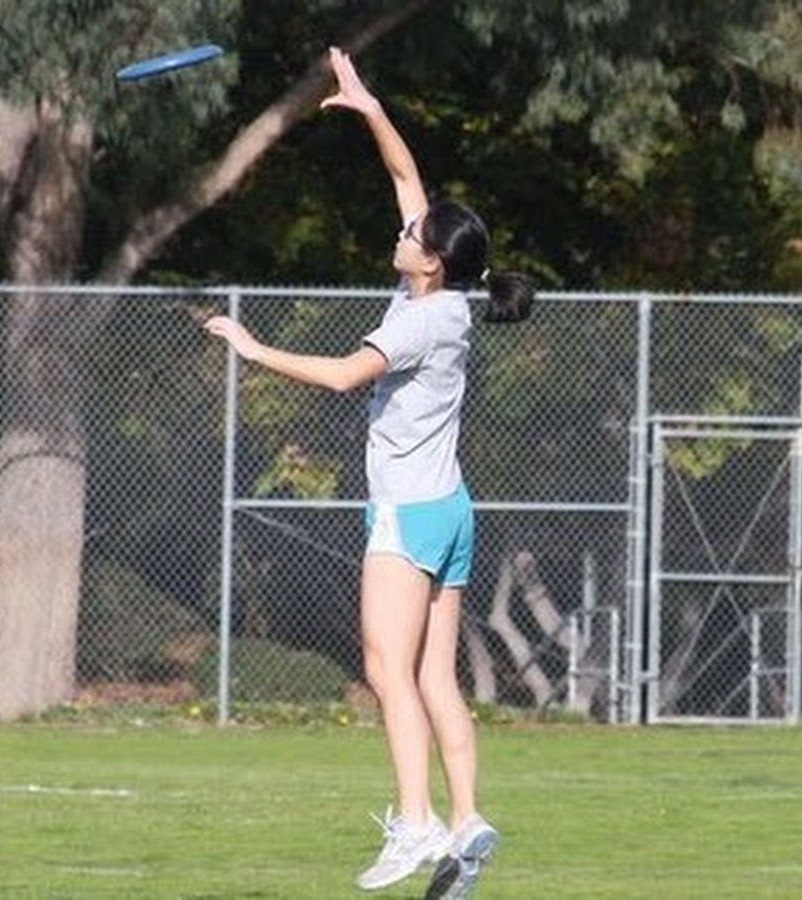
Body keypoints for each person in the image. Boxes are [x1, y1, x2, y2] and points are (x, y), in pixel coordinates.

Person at [205, 46, 535, 900]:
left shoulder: (420, 324)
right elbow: (406, 177)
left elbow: (344, 376)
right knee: (434, 678)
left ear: (432, 261)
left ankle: (417, 822)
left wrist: (253, 349)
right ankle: (468, 819)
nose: (403, 232)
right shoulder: (443, 298)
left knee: (387, 673)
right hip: (452, 511)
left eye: (413, 236)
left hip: (409, 515)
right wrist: (369, 105)